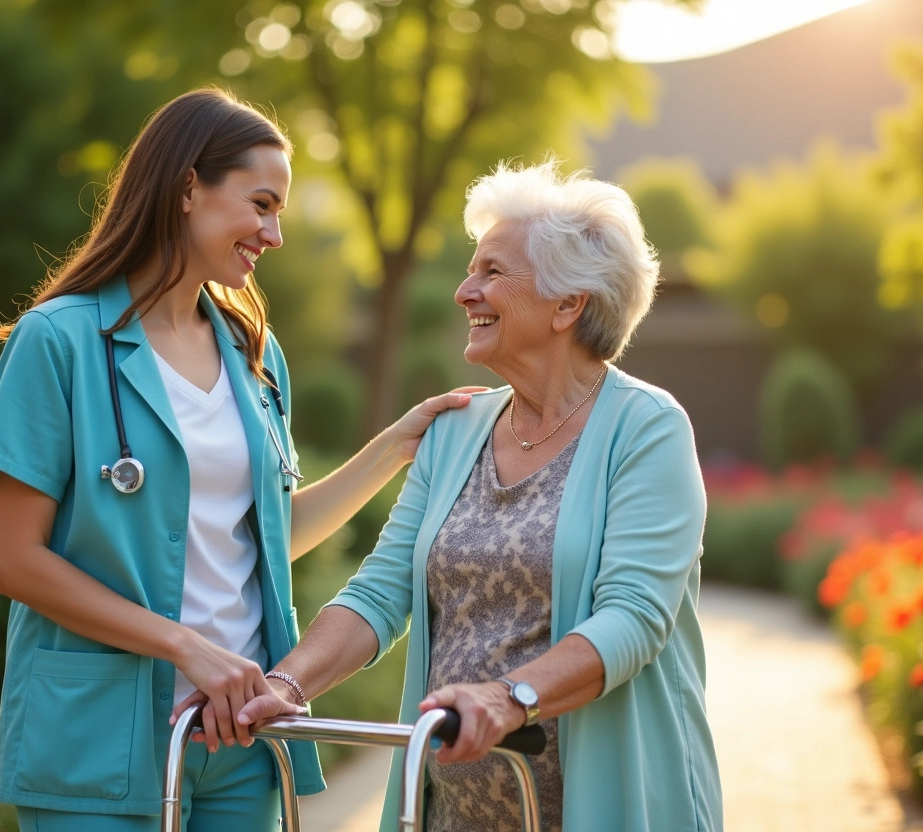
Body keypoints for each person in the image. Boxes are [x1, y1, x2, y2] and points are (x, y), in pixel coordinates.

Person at [0, 87, 476, 830]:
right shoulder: (59, 341)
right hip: (99, 740)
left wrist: (394, 449)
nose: (274, 234)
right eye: (261, 204)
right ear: (186, 188)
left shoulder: (253, 354)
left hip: (240, 736)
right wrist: (189, 649)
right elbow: (15, 560)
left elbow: (264, 540)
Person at [211, 159, 724, 831]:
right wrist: (287, 684)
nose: (463, 291)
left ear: (569, 304)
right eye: (469, 269)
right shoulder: (456, 431)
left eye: (491, 273)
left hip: (604, 804)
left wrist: (510, 698)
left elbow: (633, 619)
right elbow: (380, 591)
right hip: (460, 810)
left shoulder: (646, 429)